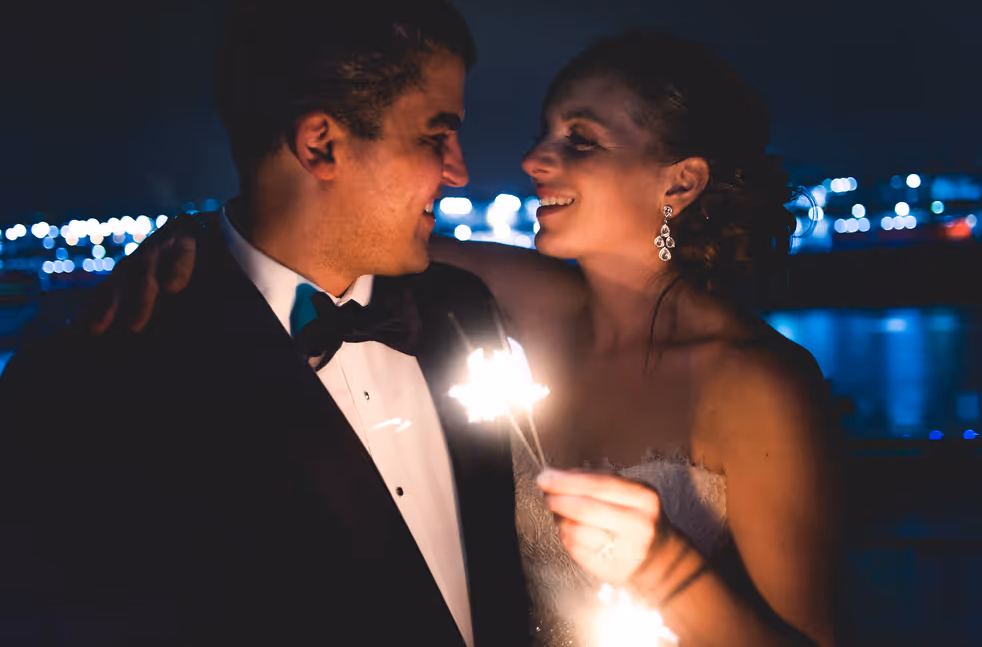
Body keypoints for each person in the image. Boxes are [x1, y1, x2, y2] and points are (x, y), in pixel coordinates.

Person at [88, 33, 840, 646]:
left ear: (680, 183)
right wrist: (188, 239)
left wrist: (666, 567)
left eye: (579, 140)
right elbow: (316, 228)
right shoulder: (537, 305)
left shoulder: (757, 383)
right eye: (544, 131)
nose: (533, 160)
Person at [0, 0, 530, 645]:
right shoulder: (96, 389)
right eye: (436, 136)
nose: (458, 172)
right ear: (321, 145)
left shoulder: (463, 311)